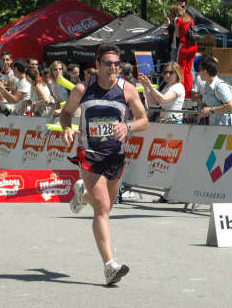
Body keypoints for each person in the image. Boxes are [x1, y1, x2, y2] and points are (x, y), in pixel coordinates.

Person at [61, 43, 148, 285]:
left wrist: (127, 127)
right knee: (102, 209)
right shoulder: (83, 89)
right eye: (108, 63)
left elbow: (144, 120)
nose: (113, 68)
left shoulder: (127, 90)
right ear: (97, 65)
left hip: (115, 156)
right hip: (89, 153)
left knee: (107, 204)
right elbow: (66, 112)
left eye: (117, 64)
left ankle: (82, 194)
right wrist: (68, 127)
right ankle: (110, 265)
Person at [198, 56, 232, 126]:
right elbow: (205, 104)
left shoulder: (220, 86)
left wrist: (210, 109)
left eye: (199, 70)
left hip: (226, 129)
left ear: (205, 72)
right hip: (215, 127)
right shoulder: (207, 85)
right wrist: (202, 108)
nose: (198, 73)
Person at [176, 6, 196, 99]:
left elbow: (177, 35)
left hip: (183, 46)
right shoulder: (191, 19)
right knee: (188, 71)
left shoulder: (178, 20)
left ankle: (181, 93)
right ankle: (189, 93)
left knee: (181, 70)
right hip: (193, 47)